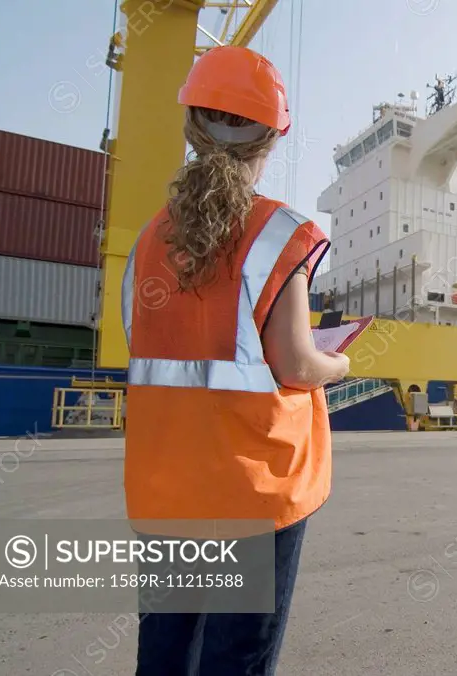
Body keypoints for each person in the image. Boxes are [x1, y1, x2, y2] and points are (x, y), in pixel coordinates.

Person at [120, 46, 350, 675]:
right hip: (253, 493)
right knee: (234, 664)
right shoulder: (278, 233)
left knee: (165, 657)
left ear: (191, 126)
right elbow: (297, 365)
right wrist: (340, 366)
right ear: (273, 137)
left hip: (165, 487)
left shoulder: (147, 241)